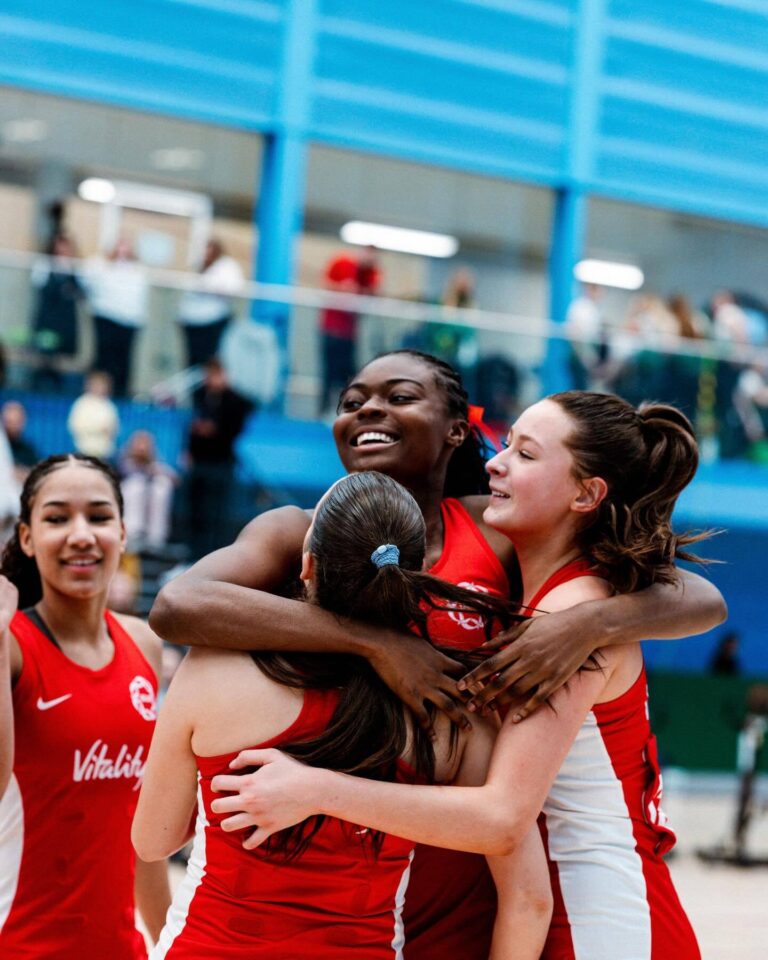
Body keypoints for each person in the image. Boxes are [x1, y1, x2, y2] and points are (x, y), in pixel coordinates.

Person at [150, 350, 725, 959]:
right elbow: (178, 605)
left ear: (455, 429)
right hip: (377, 897)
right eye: (352, 401)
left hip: (489, 883)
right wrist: (377, 642)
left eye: (399, 397)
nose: (369, 409)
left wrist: (588, 625)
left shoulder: (502, 531)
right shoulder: (300, 531)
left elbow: (695, 595)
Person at [134, 471, 552, 959]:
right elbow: (530, 899)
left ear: (307, 564)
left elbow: (154, 840)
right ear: (418, 577)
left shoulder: (211, 671)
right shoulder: (449, 712)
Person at [0, 454, 170, 957]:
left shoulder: (144, 645)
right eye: (57, 518)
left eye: (98, 517)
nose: (81, 535)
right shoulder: (12, 648)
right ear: (27, 537)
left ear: (122, 531)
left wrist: (169, 944)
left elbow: (145, 839)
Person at [183, 358, 253, 560]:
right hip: (199, 461)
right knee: (196, 509)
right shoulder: (200, 397)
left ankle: (214, 554)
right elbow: (190, 427)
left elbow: (242, 415)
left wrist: (213, 428)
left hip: (221, 462)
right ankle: (193, 553)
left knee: (217, 511)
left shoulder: (235, 401)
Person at [318, 246, 380, 412]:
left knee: (348, 374)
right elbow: (345, 289)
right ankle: (325, 409)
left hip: (349, 333)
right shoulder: (344, 263)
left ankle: (346, 408)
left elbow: (374, 291)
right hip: (332, 330)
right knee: (329, 372)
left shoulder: (369, 272)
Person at [84, 237, 149, 397]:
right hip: (106, 317)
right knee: (104, 358)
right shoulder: (101, 265)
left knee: (123, 361)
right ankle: (97, 392)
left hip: (129, 322)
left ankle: (120, 393)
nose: (122, 252)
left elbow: (139, 299)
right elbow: (87, 274)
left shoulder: (138, 271)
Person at [30, 232, 85, 392]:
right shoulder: (45, 265)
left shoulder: (75, 268)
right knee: (45, 356)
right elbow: (41, 288)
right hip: (48, 318)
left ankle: (58, 388)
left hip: (65, 321)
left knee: (62, 357)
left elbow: (81, 293)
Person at [177, 239, 244, 369]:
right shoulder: (202, 267)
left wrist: (211, 288)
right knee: (193, 360)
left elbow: (233, 288)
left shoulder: (226, 266)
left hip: (212, 322)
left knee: (208, 359)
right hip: (193, 322)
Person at [119, 430, 178, 550]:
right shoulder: (122, 460)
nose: (142, 448)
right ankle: (133, 534)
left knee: (161, 486)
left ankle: (156, 538)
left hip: (149, 507)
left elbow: (175, 478)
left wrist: (155, 470)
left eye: (145, 444)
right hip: (126, 504)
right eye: (139, 444)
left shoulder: (155, 463)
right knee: (136, 485)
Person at [67, 370, 120, 460]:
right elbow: (75, 426)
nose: (100, 388)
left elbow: (115, 427)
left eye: (103, 385)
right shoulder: (82, 403)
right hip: (85, 450)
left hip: (104, 453)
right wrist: (98, 429)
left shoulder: (109, 405)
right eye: (97, 384)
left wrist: (109, 430)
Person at [2, 401, 39, 483]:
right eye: (9, 422)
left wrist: (24, 473)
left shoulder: (27, 450)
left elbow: (38, 475)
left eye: (16, 422)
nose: (12, 426)